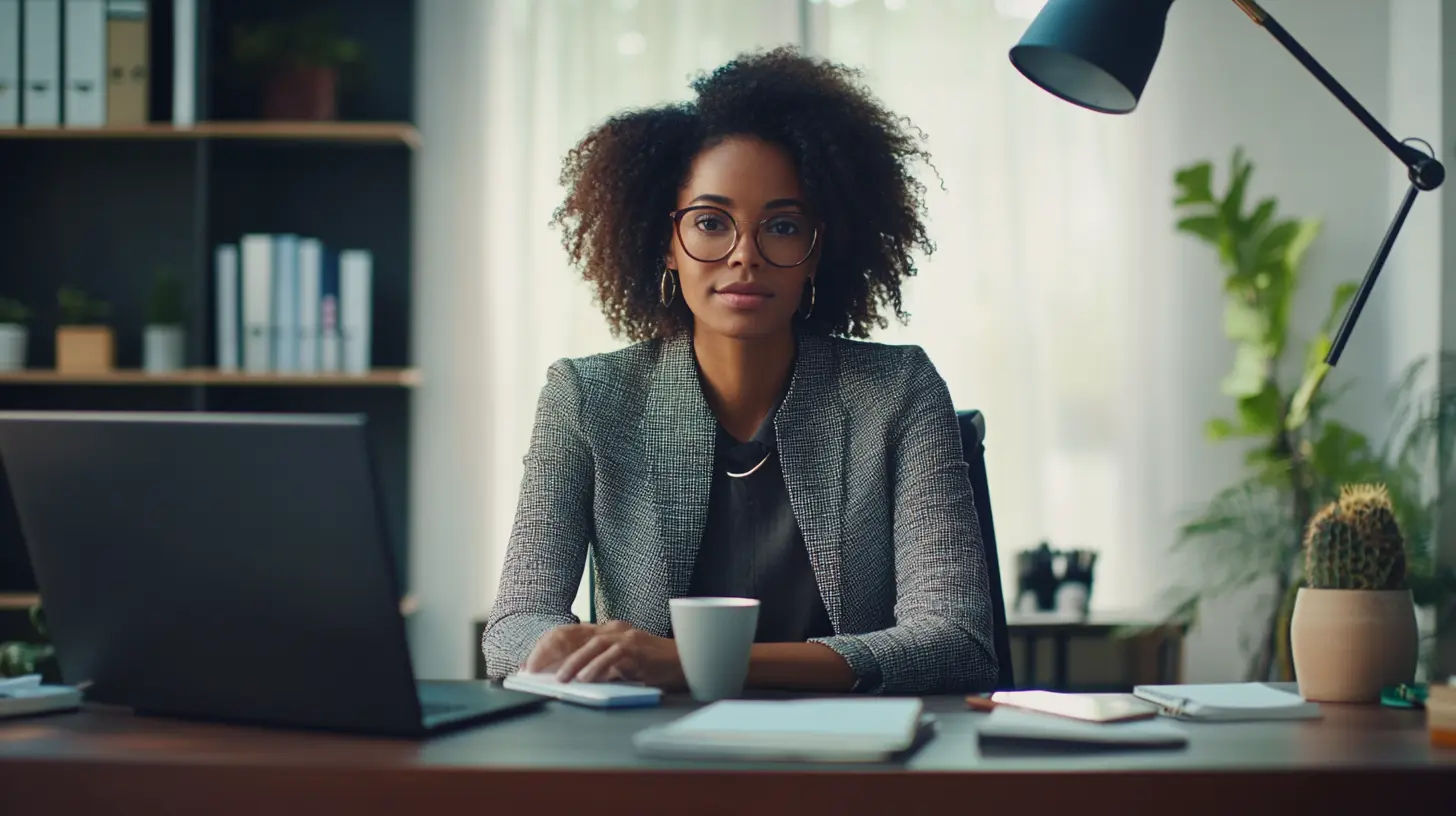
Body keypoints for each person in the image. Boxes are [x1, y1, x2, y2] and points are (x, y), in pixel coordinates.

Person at [481, 46, 997, 695]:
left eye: (781, 226)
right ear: (665, 243)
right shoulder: (587, 397)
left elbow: (957, 641)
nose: (744, 256)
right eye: (710, 223)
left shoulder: (897, 392)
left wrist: (689, 663)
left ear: (817, 250)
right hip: (646, 758)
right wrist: (559, 645)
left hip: (854, 759)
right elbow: (512, 627)